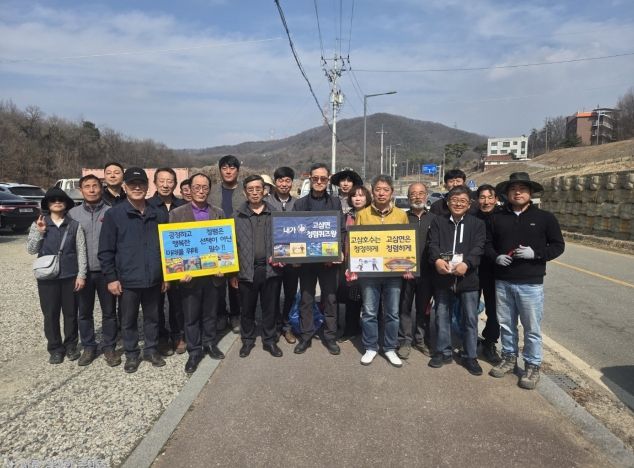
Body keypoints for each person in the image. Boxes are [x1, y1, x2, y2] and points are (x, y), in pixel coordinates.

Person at [486, 172, 565, 389]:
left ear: (530, 193)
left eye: (522, 189)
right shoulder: (497, 217)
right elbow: (487, 244)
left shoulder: (545, 218)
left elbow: (558, 246)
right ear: (507, 193)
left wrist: (536, 254)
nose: (517, 192)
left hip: (531, 282)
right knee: (506, 324)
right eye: (513, 189)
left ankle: (532, 365)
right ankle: (509, 358)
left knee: (532, 327)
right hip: (503, 281)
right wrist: (495, 257)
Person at [98, 167, 169, 373]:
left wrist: (166, 275)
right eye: (132, 184)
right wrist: (111, 278)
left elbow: (167, 248)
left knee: (153, 317)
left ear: (147, 187)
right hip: (127, 279)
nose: (137, 188)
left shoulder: (158, 213)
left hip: (154, 277)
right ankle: (131, 354)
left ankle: (151, 350)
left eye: (141, 184)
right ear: (125, 187)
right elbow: (106, 250)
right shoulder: (114, 214)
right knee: (128, 320)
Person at [169, 173, 226, 374]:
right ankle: (194, 351)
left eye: (204, 187)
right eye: (197, 187)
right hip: (189, 277)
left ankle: (209, 343)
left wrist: (224, 267)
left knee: (210, 313)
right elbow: (173, 246)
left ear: (209, 189)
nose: (201, 191)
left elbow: (224, 243)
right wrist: (178, 272)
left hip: (212, 275)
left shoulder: (218, 212)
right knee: (191, 316)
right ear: (189, 189)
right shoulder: (177, 214)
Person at [353, 175, 410, 368]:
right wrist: (354, 267)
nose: (381, 193)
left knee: (392, 313)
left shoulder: (401, 215)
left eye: (386, 189)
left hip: (394, 273)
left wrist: (407, 266)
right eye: (378, 189)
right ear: (373, 191)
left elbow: (406, 244)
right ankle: (370, 347)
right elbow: (356, 243)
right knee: (369, 312)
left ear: (392, 192)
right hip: (369, 273)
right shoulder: (362, 214)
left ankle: (390, 348)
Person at [27, 187, 87, 364]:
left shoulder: (75, 225)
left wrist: (81, 275)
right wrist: (40, 233)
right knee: (50, 314)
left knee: (71, 314)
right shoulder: (39, 223)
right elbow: (31, 250)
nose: (57, 202)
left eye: (61, 200)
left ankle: (71, 346)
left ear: (66, 203)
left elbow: (81, 252)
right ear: (47, 204)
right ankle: (55, 348)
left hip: (70, 276)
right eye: (53, 200)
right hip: (47, 278)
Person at [69, 175, 119, 367]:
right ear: (81, 190)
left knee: (109, 312)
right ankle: (89, 346)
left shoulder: (111, 212)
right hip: (83, 273)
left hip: (106, 271)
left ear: (101, 188)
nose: (91, 190)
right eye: (87, 186)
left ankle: (109, 347)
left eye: (95, 186)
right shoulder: (72, 214)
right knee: (84, 312)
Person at [231, 175, 284, 358]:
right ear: (244, 192)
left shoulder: (275, 213)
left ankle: (270, 341)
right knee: (247, 309)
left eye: (258, 188)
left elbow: (284, 239)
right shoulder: (236, 216)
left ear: (265, 190)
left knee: (270, 308)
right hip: (246, 270)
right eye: (250, 189)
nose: (254, 192)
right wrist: (233, 273)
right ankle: (247, 340)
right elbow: (231, 246)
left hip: (270, 269)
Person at [292, 163, 342, 355]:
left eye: (323, 178)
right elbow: (294, 231)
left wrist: (337, 253)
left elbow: (340, 230)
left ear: (328, 180)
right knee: (306, 299)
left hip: (328, 262)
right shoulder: (300, 204)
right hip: (306, 262)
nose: (319, 181)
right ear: (310, 179)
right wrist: (294, 256)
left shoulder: (335, 203)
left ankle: (330, 336)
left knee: (330, 299)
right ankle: (306, 336)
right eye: (315, 178)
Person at [149, 168, 187, 356]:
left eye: (170, 181)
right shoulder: (147, 206)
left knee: (178, 302)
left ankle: (178, 335)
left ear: (175, 184)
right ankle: (161, 337)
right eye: (162, 181)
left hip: (179, 261)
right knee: (155, 304)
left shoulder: (183, 205)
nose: (165, 185)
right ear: (155, 183)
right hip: (155, 261)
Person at [397, 182, 435, 359]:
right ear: (408, 197)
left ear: (426, 196)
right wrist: (402, 266)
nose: (417, 197)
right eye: (413, 194)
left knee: (423, 309)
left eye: (421, 193)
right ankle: (404, 340)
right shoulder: (401, 218)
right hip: (406, 272)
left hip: (427, 273)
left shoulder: (435, 219)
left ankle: (421, 340)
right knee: (403, 308)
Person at [208, 155, 242, 334]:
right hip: (218, 243)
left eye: (232, 168)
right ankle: (221, 313)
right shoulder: (212, 191)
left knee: (236, 282)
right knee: (218, 281)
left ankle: (236, 314)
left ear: (238, 170)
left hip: (240, 242)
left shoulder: (245, 190)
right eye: (224, 168)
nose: (228, 171)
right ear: (220, 170)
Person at [265, 166, 298, 344]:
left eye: (287, 180)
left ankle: (287, 326)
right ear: (275, 182)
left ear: (291, 182)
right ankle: (275, 326)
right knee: (273, 295)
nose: (284, 184)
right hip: (273, 259)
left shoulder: (298, 204)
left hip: (293, 259)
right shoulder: (266, 202)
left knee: (290, 293)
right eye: (280, 180)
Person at [338, 185, 370, 341]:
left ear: (367, 198)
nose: (357, 198)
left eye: (361, 195)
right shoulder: (346, 217)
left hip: (370, 262)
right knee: (352, 296)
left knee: (370, 298)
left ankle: (371, 331)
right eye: (354, 196)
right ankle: (351, 329)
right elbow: (340, 236)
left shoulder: (373, 215)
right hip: (350, 262)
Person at [475, 184, 502, 365]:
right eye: (482, 197)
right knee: (469, 307)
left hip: (495, 270)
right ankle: (468, 339)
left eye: (489, 197)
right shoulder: (471, 217)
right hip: (474, 269)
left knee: (494, 310)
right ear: (477, 200)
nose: (486, 201)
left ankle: (490, 342)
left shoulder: (503, 217)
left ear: (496, 199)